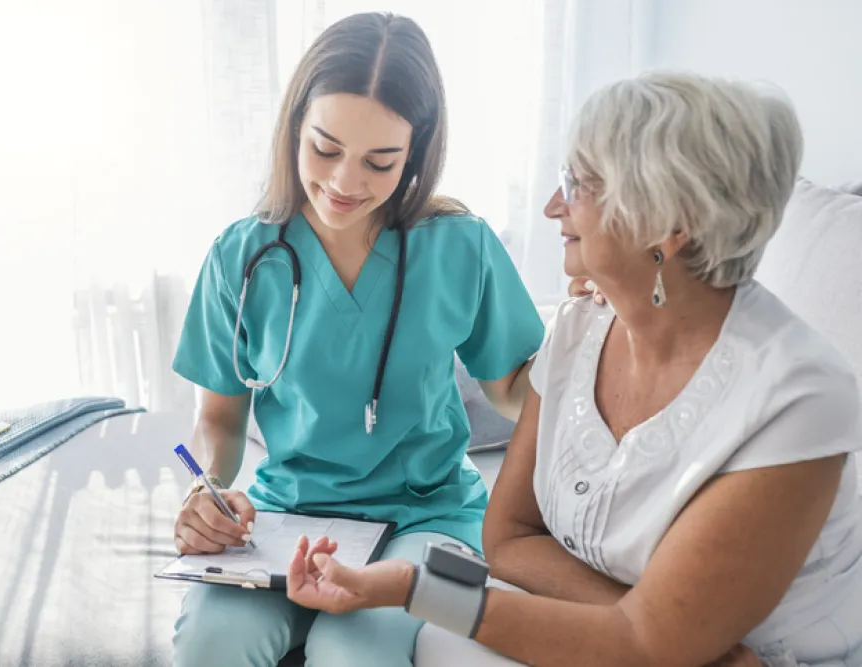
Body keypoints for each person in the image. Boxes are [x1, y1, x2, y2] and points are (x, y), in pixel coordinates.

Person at [284, 72, 862, 667]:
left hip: (768, 658)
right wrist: (666, 629)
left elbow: (643, 646)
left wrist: (415, 588)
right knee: (443, 644)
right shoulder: (580, 328)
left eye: (578, 184)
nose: (553, 206)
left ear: (669, 221)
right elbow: (508, 539)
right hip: (676, 647)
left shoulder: (797, 399)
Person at [170, 12, 546, 667]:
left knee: (354, 651)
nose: (345, 182)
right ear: (293, 129)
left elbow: (518, 389)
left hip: (436, 521)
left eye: (380, 161)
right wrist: (205, 490)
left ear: (418, 154)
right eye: (325, 148)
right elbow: (219, 420)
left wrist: (604, 347)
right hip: (286, 514)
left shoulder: (462, 245)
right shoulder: (241, 256)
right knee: (210, 643)